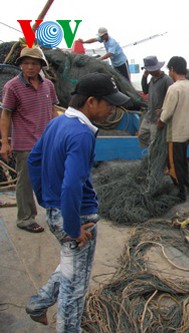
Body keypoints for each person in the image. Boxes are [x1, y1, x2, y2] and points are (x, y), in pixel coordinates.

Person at [25, 73, 130, 331]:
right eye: (110, 104)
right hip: (78, 219)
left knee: (71, 267)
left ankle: (38, 304)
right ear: (91, 102)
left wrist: (46, 200)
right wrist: (72, 227)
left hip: (56, 211)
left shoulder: (57, 123)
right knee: (75, 288)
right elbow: (72, 185)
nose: (112, 111)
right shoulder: (81, 134)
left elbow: (33, 161)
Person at [0, 46, 59, 233]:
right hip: (24, 143)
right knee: (25, 182)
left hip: (47, 141)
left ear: (41, 65)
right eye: (25, 63)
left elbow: (53, 110)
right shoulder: (12, 87)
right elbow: (6, 115)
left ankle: (54, 211)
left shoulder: (48, 85)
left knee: (50, 178)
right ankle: (25, 219)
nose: (29, 67)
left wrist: (59, 133)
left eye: (34, 63)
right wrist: (4, 142)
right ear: (21, 65)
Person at [157, 56, 189, 202]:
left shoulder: (174, 88)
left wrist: (160, 122)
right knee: (182, 161)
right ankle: (187, 185)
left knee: (173, 164)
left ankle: (179, 192)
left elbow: (167, 112)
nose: (169, 73)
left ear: (172, 69)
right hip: (187, 132)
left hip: (175, 134)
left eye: (169, 70)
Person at [138, 55, 173, 148]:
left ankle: (154, 158)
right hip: (149, 116)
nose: (149, 72)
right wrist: (144, 77)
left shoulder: (167, 80)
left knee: (154, 142)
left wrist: (162, 110)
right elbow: (145, 91)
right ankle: (149, 155)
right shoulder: (152, 79)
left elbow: (171, 99)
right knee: (142, 135)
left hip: (158, 118)